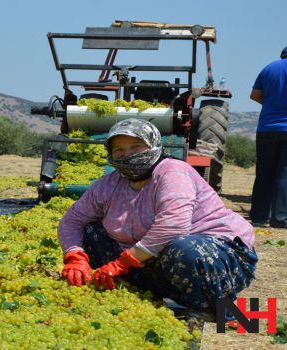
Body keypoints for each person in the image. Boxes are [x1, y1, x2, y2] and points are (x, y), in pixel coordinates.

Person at [58, 118, 257, 317]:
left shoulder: (172, 173)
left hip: (216, 254)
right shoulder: (109, 184)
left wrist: (122, 263)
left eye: (136, 146)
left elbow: (173, 226)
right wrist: (75, 257)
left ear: (153, 146)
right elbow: (72, 220)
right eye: (118, 150)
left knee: (183, 250)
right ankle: (144, 291)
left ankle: (205, 305)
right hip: (150, 258)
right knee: (90, 231)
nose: (127, 154)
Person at [249, 47, 287, 228]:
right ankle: (279, 219)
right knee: (284, 174)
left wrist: (272, 102)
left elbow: (255, 95)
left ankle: (258, 217)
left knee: (264, 173)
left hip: (266, 129)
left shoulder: (269, 68)